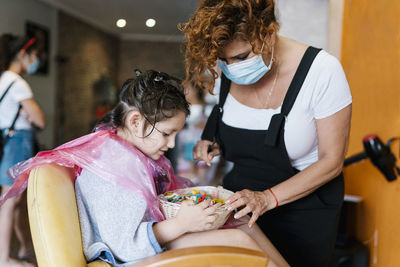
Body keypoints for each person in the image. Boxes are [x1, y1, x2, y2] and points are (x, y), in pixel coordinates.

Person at [0, 70, 288, 266]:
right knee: (238, 237)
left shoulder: (123, 151)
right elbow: (123, 244)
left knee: (243, 224)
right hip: (123, 256)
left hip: (140, 246)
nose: (172, 144)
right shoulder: (112, 167)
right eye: (166, 133)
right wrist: (182, 224)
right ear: (136, 122)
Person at [180, 0, 352, 266]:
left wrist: (266, 198)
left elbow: (332, 162)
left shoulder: (322, 71)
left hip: (304, 212)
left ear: (269, 33)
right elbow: (240, 123)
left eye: (240, 57)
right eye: (223, 60)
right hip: (240, 207)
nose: (231, 68)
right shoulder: (231, 70)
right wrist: (214, 141)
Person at [0, 34, 46, 267]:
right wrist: (32, 115)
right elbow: (40, 120)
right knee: (9, 201)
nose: (35, 60)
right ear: (22, 55)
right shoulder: (17, 82)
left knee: (15, 200)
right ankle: (4, 258)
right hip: (19, 142)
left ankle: (26, 246)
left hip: (11, 141)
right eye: (34, 55)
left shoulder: (3, 79)